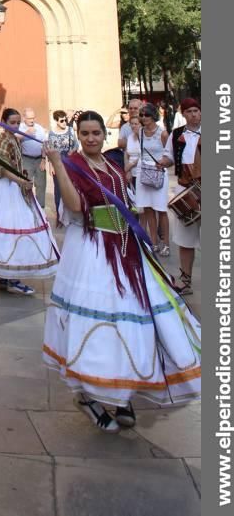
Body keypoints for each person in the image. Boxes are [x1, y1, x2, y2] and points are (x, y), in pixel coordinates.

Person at [44, 111, 201, 432]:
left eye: (95, 133)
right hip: (93, 251)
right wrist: (57, 165)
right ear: (78, 135)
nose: (90, 138)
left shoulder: (112, 164)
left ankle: (120, 389)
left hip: (127, 249)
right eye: (85, 133)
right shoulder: (73, 164)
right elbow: (75, 207)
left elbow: (127, 205)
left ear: (104, 134)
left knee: (133, 322)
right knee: (100, 322)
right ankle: (90, 394)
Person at [0, 107, 58, 295]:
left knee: (9, 234)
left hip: (13, 187)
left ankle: (5, 276)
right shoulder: (5, 140)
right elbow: (4, 169)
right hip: (7, 189)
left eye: (17, 122)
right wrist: (22, 181)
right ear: (3, 122)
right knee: (11, 232)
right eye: (11, 123)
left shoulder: (13, 138)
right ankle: (9, 277)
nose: (15, 126)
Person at [124, 103, 172, 256]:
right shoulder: (140, 132)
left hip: (158, 171)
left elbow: (169, 154)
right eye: (142, 115)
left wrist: (163, 162)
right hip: (144, 171)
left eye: (147, 115)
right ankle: (154, 242)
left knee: (161, 209)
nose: (143, 118)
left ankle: (166, 244)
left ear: (154, 116)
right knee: (148, 208)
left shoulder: (163, 134)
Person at [167, 98, 202, 296]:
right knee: (185, 238)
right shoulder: (176, 135)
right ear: (183, 114)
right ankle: (185, 280)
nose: (194, 114)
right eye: (189, 111)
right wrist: (162, 162)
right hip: (186, 192)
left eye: (196, 110)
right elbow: (169, 157)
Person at [46, 110, 78, 224]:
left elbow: (76, 145)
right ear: (56, 121)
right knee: (58, 190)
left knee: (71, 187)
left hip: (69, 161)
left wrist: (72, 152)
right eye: (62, 121)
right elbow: (49, 150)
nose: (65, 122)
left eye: (66, 120)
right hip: (57, 162)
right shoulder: (51, 133)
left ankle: (69, 215)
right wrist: (51, 166)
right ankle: (59, 217)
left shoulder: (70, 131)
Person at [18, 109, 49, 206]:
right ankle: (26, 205)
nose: (32, 120)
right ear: (24, 118)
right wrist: (26, 133)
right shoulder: (20, 128)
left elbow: (45, 144)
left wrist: (44, 159)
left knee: (41, 184)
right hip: (26, 159)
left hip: (39, 159)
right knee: (26, 183)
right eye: (29, 118)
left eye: (33, 118)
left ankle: (40, 207)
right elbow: (14, 138)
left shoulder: (39, 128)